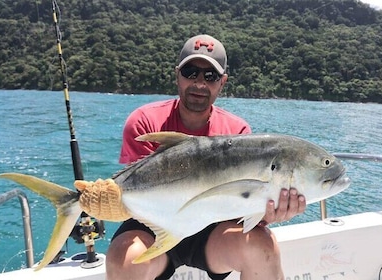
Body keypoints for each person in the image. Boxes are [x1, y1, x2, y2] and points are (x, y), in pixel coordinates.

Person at [106, 34, 306, 280]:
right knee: (123, 258)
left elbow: (240, 206)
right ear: (177, 74)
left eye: (210, 76)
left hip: (212, 228)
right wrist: (110, 201)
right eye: (191, 72)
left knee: (264, 246)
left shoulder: (238, 133)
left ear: (222, 82)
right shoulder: (144, 123)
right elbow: (138, 196)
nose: (199, 83)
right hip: (153, 224)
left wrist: (267, 212)